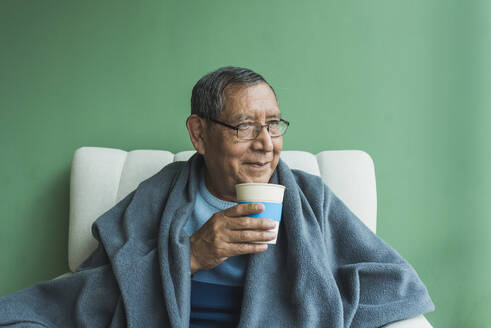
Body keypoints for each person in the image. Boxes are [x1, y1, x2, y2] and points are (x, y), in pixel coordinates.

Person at [0, 66, 434, 327]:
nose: (266, 143)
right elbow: (100, 286)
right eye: (245, 127)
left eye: (274, 124)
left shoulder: (309, 197)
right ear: (199, 134)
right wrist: (190, 255)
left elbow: (395, 283)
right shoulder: (159, 195)